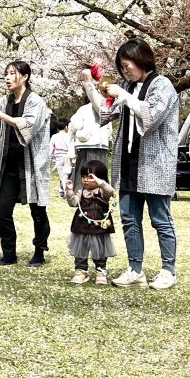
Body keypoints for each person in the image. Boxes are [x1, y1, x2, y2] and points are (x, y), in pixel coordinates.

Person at [80, 38, 180, 290]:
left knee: (161, 220)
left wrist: (123, 95)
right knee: (129, 219)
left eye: (128, 65)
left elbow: (151, 116)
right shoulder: (126, 87)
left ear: (142, 59)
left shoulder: (162, 85)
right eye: (122, 66)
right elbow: (104, 114)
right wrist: (91, 87)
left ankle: (168, 270)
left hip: (155, 164)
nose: (125, 71)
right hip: (127, 164)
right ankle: (135, 269)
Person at [0, 60, 52, 266]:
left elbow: (29, 126)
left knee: (37, 210)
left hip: (31, 164)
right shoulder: (3, 101)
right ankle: (9, 254)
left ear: (24, 77)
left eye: (12, 73)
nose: (7, 78)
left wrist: (3, 116)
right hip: (9, 162)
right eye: (6, 74)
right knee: (4, 210)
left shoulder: (36, 101)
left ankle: (39, 252)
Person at [66, 160, 117, 285]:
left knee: (100, 250)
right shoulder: (82, 192)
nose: (86, 180)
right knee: (80, 249)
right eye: (83, 177)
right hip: (81, 225)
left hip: (99, 226)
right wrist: (69, 192)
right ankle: (81, 271)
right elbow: (73, 203)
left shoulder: (101, 192)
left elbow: (110, 191)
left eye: (90, 177)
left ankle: (101, 271)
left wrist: (100, 182)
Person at [48, 117, 72, 195]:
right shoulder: (69, 136)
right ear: (66, 127)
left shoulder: (54, 136)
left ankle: (64, 192)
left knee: (62, 176)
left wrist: (50, 159)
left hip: (59, 158)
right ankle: (66, 192)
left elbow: (50, 149)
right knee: (68, 175)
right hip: (68, 157)